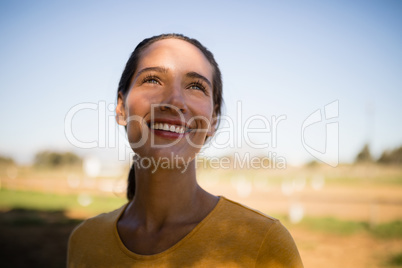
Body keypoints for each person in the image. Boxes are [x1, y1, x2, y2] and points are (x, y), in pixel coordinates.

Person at [67, 33, 304, 267]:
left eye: (195, 86)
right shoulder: (85, 240)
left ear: (213, 119)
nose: (175, 100)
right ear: (121, 107)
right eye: (152, 80)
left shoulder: (264, 243)